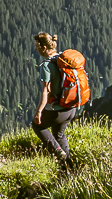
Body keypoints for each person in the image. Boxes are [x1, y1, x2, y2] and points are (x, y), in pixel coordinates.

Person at [30, 31, 83, 163]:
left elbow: (45, 91)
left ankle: (58, 152)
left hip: (58, 111)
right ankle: (68, 167)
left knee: (38, 126)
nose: (36, 49)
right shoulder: (63, 59)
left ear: (44, 48)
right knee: (59, 135)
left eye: (37, 46)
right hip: (71, 108)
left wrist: (39, 112)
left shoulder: (47, 66)